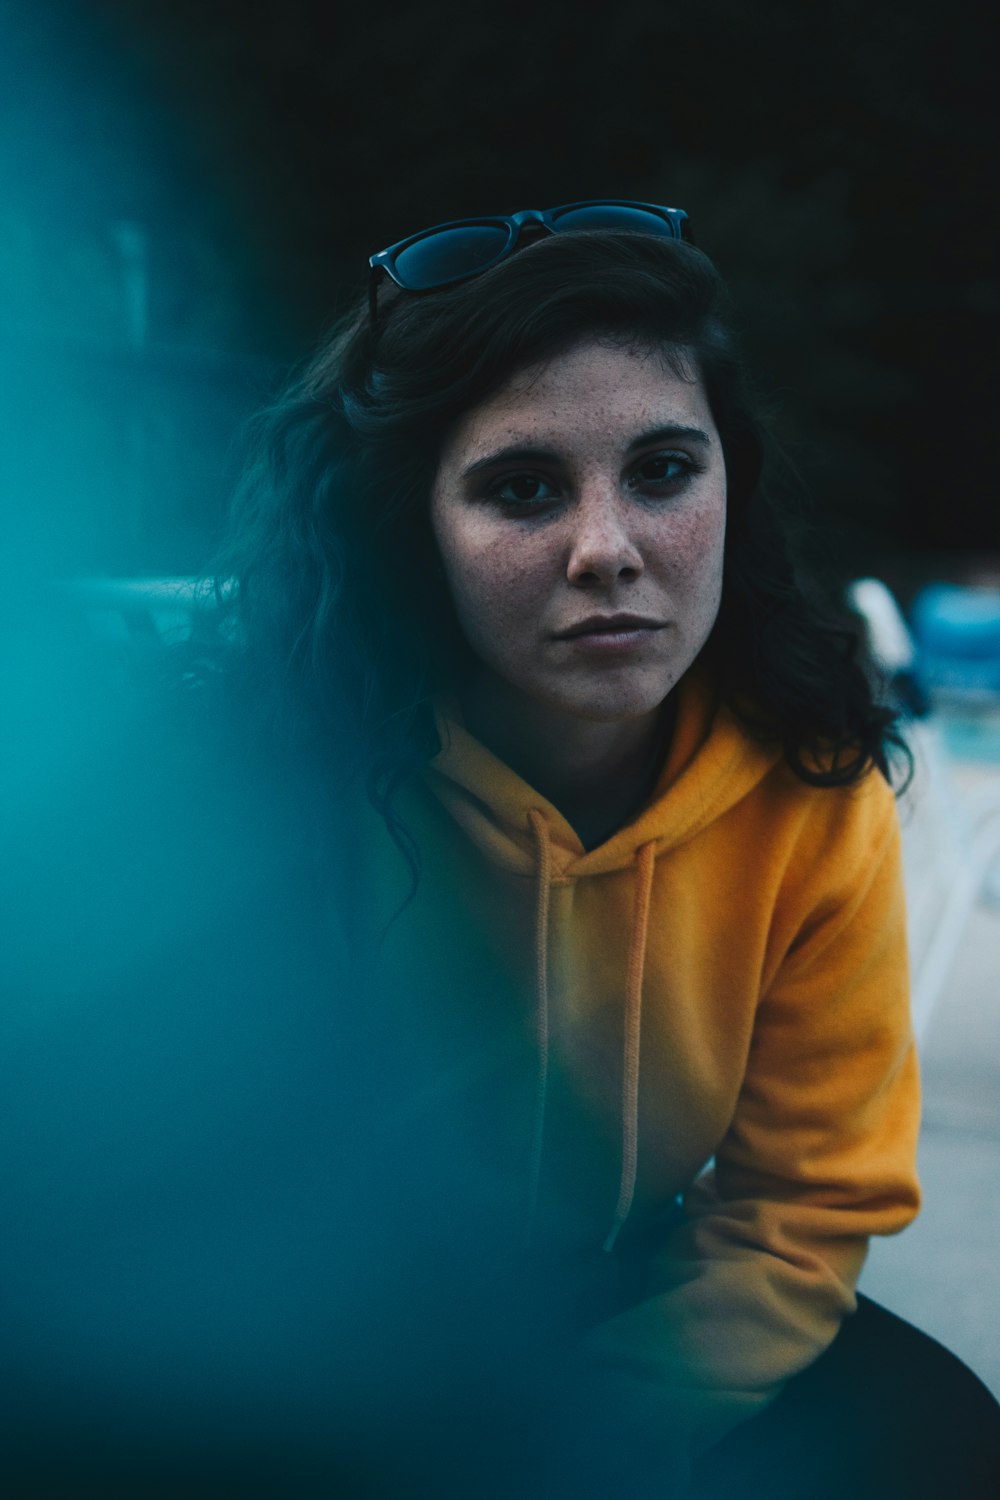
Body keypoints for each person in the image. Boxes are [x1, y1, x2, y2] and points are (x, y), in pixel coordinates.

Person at [3, 203, 999, 1498]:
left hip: (628, 1285)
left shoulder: (812, 788)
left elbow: (801, 1209)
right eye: (522, 488)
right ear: (410, 523)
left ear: (729, 484)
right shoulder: (284, 785)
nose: (609, 549)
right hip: (315, 1315)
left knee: (945, 1440)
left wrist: (608, 1428)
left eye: (662, 470)